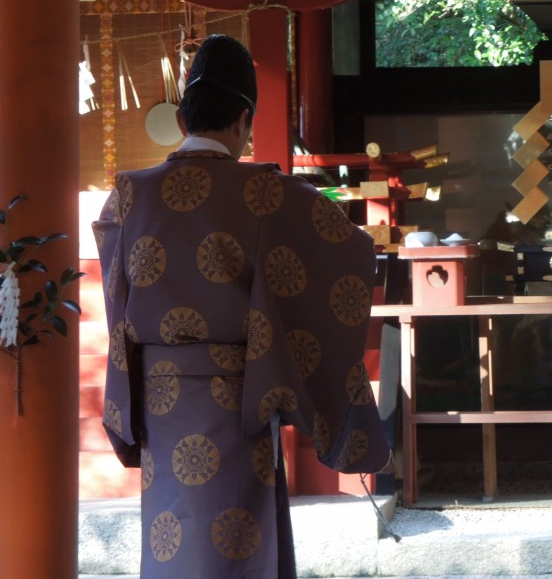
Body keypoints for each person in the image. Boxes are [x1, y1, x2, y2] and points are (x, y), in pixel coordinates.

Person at [93, 33, 393, 579]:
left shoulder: (128, 195)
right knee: (236, 541)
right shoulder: (263, 192)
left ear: (183, 119)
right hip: (236, 399)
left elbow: (119, 306)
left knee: (172, 537)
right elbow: (350, 249)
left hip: (161, 403)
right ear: (244, 118)